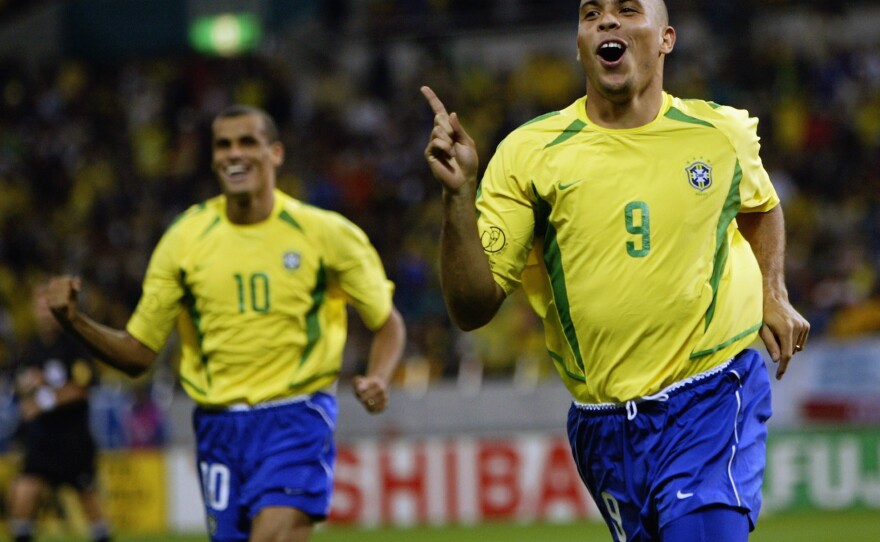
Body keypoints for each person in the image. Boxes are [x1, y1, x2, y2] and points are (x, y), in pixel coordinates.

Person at [421, 1, 809, 541]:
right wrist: (458, 198)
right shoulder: (529, 154)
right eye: (591, 14)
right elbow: (470, 308)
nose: (607, 21)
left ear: (666, 38)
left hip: (712, 396)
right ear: (580, 43)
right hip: (603, 425)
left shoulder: (719, 134)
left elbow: (761, 207)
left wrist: (773, 291)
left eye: (628, 9)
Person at [47, 104, 406, 542]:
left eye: (247, 142)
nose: (234, 154)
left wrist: (380, 376)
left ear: (275, 153)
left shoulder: (326, 234)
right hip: (217, 428)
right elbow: (138, 353)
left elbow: (386, 323)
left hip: (295, 417)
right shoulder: (184, 239)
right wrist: (74, 322)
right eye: (223, 144)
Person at [8, 285, 112, 542]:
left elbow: (83, 387)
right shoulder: (29, 346)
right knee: (22, 494)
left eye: (49, 306)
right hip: (42, 441)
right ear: (33, 309)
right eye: (40, 306)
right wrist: (24, 390)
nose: (45, 312)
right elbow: (19, 383)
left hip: (73, 440)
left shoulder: (74, 343)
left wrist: (44, 400)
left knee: (90, 504)